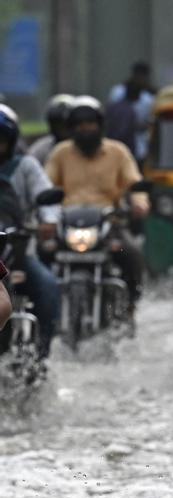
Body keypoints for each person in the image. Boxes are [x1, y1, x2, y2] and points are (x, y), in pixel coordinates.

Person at [43, 96, 148, 313]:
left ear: (100, 125)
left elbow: (134, 183)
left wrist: (139, 203)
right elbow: (45, 187)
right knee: (41, 254)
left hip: (110, 227)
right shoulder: (60, 153)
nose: (86, 128)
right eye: (80, 124)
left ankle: (129, 306)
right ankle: (42, 311)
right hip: (67, 227)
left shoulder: (118, 152)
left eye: (90, 123)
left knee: (131, 254)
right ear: (72, 128)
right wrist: (44, 216)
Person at [0, 105, 61, 358]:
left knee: (48, 287)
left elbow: (46, 195)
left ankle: (41, 355)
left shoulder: (25, 166)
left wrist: (48, 221)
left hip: (18, 250)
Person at [106, 61, 156, 163]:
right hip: (117, 137)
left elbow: (148, 122)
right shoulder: (117, 92)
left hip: (138, 143)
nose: (140, 79)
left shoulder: (148, 99)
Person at [27, 95, 73, 165]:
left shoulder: (85, 148)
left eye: (67, 124)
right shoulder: (41, 149)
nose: (63, 129)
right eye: (58, 124)